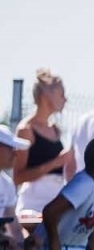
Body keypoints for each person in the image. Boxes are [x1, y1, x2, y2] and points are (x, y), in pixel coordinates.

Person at [12, 70, 74, 216]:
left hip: (54, 203)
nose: (65, 99)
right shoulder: (26, 129)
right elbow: (18, 177)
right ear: (46, 96)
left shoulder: (55, 130)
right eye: (61, 94)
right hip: (33, 205)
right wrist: (55, 163)